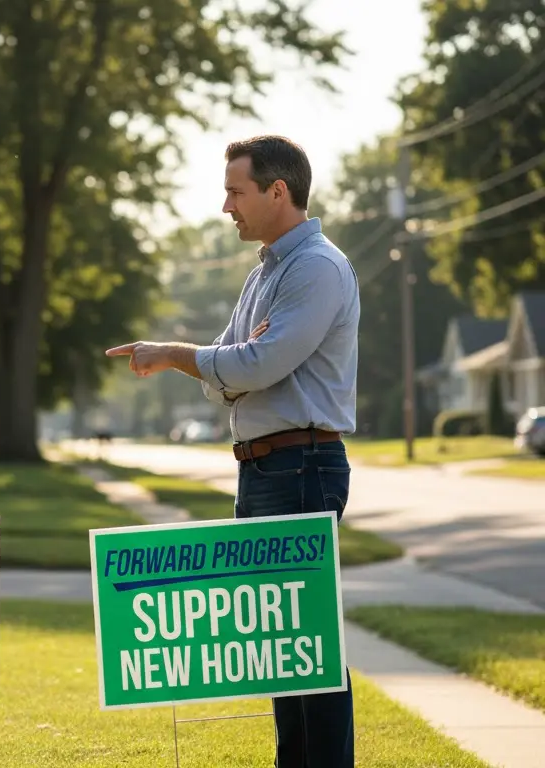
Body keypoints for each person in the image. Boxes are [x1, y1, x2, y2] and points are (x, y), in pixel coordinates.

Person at [106, 135, 359, 768]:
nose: (226, 206)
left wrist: (177, 356)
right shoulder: (267, 272)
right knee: (278, 644)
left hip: (302, 465)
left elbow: (252, 364)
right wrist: (232, 366)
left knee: (310, 647)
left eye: (235, 192)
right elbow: (233, 367)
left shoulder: (317, 268)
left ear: (279, 192)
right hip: (267, 466)